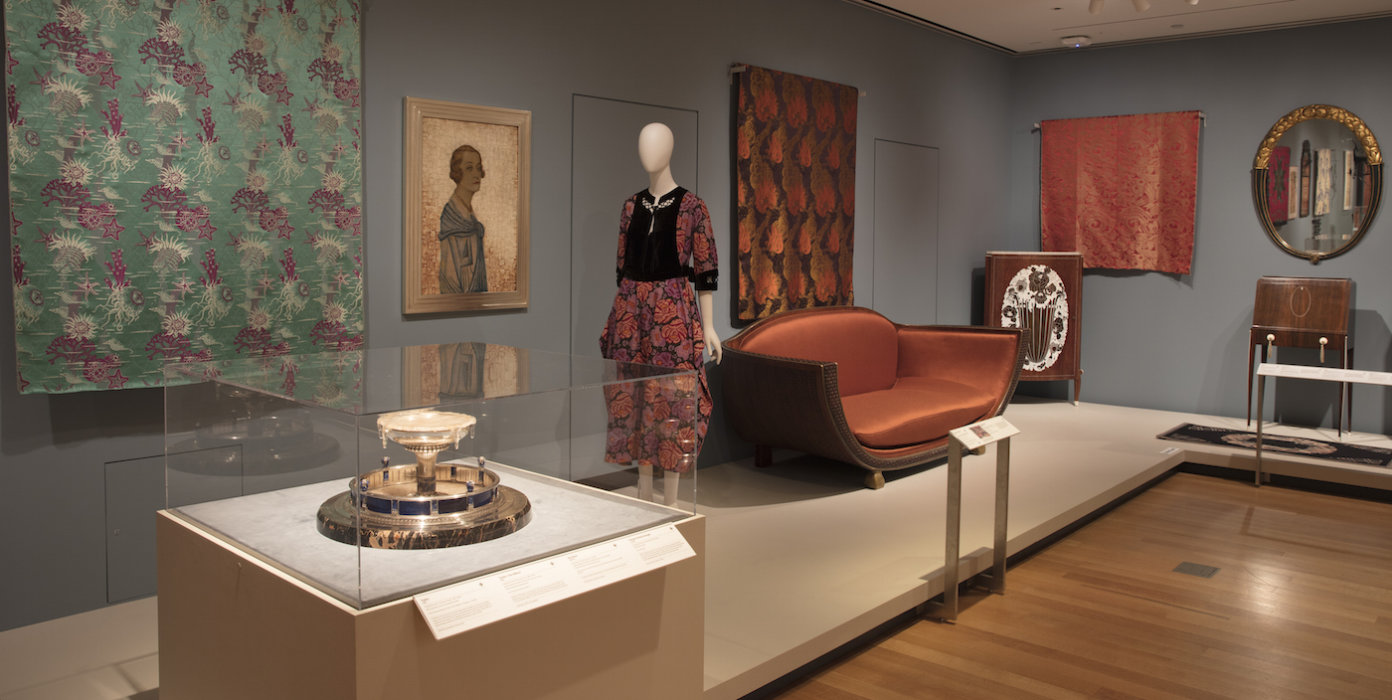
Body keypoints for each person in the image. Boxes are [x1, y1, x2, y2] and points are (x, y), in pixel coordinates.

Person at [599, 122, 721, 503]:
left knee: (672, 399)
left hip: (672, 312)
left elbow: (705, 269)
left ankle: (670, 498)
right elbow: (622, 267)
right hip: (630, 316)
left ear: (669, 150)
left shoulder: (693, 207)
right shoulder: (630, 207)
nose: (647, 153)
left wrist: (709, 326)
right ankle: (643, 490)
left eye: (655, 145)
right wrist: (620, 317)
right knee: (633, 396)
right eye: (643, 145)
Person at [438, 144, 488, 293]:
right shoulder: (453, 217)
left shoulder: (470, 216)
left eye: (478, 168)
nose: (476, 174)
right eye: (469, 168)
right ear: (457, 172)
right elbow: (449, 278)